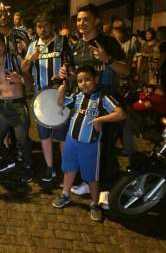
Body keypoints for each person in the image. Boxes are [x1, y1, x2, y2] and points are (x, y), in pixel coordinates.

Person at [60, 3, 129, 195]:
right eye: (79, 19)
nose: (81, 23)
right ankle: (86, 182)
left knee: (105, 150)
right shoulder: (76, 47)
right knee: (85, 147)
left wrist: (107, 59)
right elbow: (77, 77)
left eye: (86, 19)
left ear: (96, 21)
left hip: (106, 104)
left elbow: (126, 71)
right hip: (83, 107)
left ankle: (106, 190)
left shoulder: (108, 42)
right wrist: (66, 73)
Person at [52, 65, 125, 221]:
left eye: (87, 79)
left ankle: (94, 203)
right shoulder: (77, 96)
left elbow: (120, 113)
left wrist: (100, 119)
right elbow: (60, 103)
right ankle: (65, 194)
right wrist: (61, 90)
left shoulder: (102, 98)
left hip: (90, 144)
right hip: (72, 140)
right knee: (69, 169)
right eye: (80, 81)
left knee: (92, 176)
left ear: (96, 79)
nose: (83, 83)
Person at [21, 14, 72, 182]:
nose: (43, 29)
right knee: (44, 134)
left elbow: (71, 66)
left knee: (62, 134)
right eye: (39, 26)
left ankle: (66, 168)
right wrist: (29, 58)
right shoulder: (34, 45)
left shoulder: (62, 42)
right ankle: (50, 167)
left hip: (59, 94)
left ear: (52, 26)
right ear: (36, 29)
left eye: (46, 25)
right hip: (40, 95)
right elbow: (24, 69)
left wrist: (65, 77)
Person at [0, 32, 33, 183]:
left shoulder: (15, 60)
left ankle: (27, 168)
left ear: (5, 46)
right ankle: (9, 159)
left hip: (17, 104)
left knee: (22, 140)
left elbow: (30, 84)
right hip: (1, 107)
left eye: (0, 44)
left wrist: (21, 79)